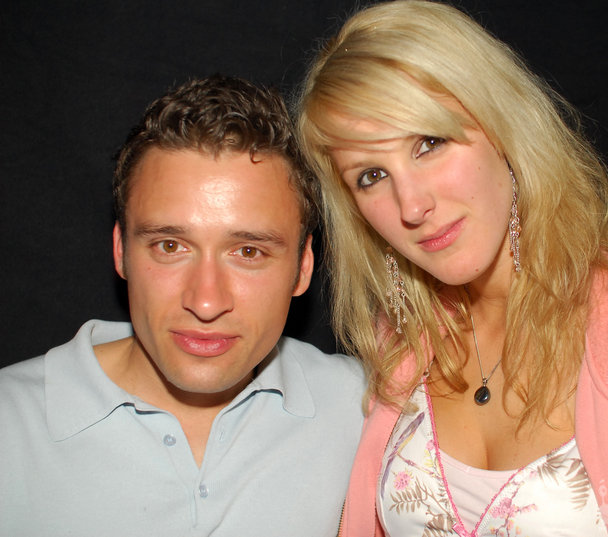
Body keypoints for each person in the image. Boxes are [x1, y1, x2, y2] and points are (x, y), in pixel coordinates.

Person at [295, 1, 608, 535]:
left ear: (503, 127)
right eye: (371, 176)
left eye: (429, 144)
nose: (412, 206)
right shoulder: (401, 343)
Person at [0, 75, 364, 536]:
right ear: (121, 251)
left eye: (248, 252)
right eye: (170, 246)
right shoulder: (10, 425)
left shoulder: (366, 408)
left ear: (303, 267)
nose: (206, 302)